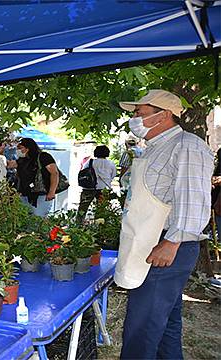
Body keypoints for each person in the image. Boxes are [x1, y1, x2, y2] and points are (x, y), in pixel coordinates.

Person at [114, 89, 214, 359]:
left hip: (166, 246)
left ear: (164, 115)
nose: (134, 118)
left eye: (140, 113)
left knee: (142, 327)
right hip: (151, 241)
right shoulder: (154, 148)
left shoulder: (187, 145)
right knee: (166, 323)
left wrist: (171, 242)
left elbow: (193, 199)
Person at [9, 137, 59, 217]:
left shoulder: (43, 157)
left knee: (37, 219)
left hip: (41, 195)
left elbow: (54, 173)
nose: (18, 150)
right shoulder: (22, 160)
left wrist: (52, 191)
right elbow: (9, 165)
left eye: (20, 148)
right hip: (24, 195)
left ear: (28, 148)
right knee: (25, 220)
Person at [77, 145, 117, 216]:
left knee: (82, 209)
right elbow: (113, 175)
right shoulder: (111, 164)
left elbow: (83, 172)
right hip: (104, 189)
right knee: (102, 210)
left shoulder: (90, 162)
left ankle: (78, 224)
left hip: (89, 187)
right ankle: (100, 225)